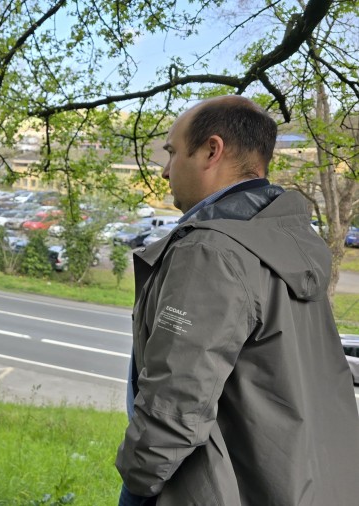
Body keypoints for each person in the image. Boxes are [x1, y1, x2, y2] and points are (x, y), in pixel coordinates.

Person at [116, 95, 359, 505]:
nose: (164, 171)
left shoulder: (212, 251)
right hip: (314, 483)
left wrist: (138, 484)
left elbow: (175, 402)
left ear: (212, 150)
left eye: (173, 153)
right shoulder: (292, 239)